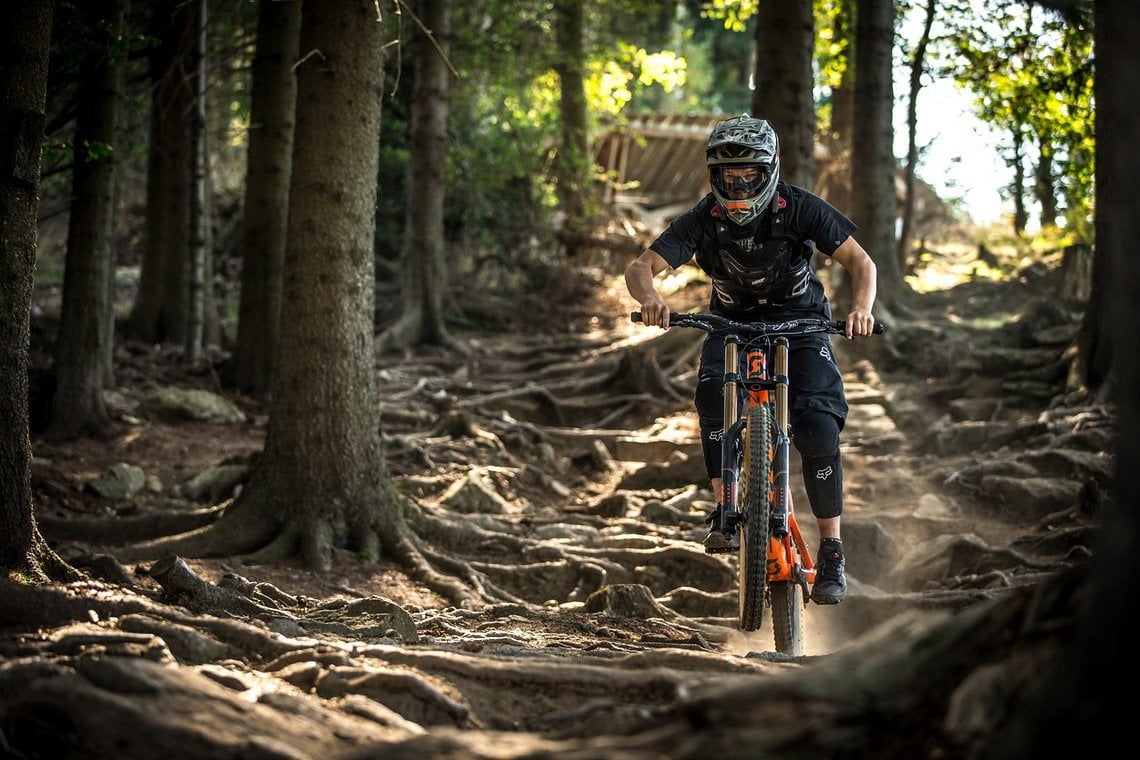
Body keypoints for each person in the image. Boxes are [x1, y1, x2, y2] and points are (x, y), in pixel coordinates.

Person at [624, 114, 877, 605]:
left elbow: (860, 262)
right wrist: (651, 298)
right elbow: (642, 266)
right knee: (711, 398)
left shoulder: (800, 207)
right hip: (731, 323)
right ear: (712, 177)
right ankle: (725, 509)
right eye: (726, 177)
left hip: (803, 323)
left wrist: (861, 310)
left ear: (771, 172)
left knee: (819, 426)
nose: (738, 187)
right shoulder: (703, 219)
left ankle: (831, 551)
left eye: (749, 177)